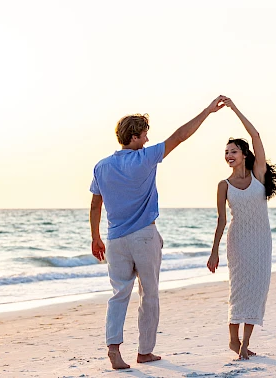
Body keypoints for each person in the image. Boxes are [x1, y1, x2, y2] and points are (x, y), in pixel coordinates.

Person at [89, 96, 225, 370]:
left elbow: (95, 204)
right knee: (148, 294)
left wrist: (95, 237)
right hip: (144, 236)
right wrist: (207, 111)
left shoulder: (101, 166)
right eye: (145, 135)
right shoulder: (145, 157)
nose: (148, 139)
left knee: (119, 294)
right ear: (135, 136)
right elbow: (180, 136)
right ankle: (145, 351)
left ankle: (113, 348)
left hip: (114, 239)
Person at [207, 97, 276, 360]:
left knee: (256, 289)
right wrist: (214, 252)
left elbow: (255, 135)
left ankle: (245, 343)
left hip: (261, 242)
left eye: (233, 151)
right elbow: (221, 220)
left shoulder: (259, 176)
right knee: (238, 289)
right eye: (226, 152)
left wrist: (234, 108)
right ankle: (233, 340)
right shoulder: (223, 185)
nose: (229, 156)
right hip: (237, 242)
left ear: (243, 154)